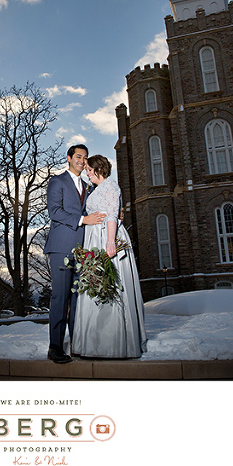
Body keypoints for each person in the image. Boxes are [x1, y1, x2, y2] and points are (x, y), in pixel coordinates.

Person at [72, 154, 148, 359]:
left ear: (98, 169)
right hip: (93, 240)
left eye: (89, 170)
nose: (87, 173)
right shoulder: (96, 190)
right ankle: (93, 342)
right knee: (95, 287)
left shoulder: (111, 187)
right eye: (86, 170)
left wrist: (110, 241)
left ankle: (113, 343)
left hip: (106, 237)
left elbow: (113, 215)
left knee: (111, 285)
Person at [43, 144, 106, 363]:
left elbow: (96, 211)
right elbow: (54, 211)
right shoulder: (57, 181)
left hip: (84, 250)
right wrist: (82, 220)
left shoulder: (89, 187)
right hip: (61, 246)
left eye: (85, 157)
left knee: (78, 299)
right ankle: (55, 347)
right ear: (69, 158)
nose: (82, 160)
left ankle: (78, 343)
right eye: (78, 156)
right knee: (60, 297)